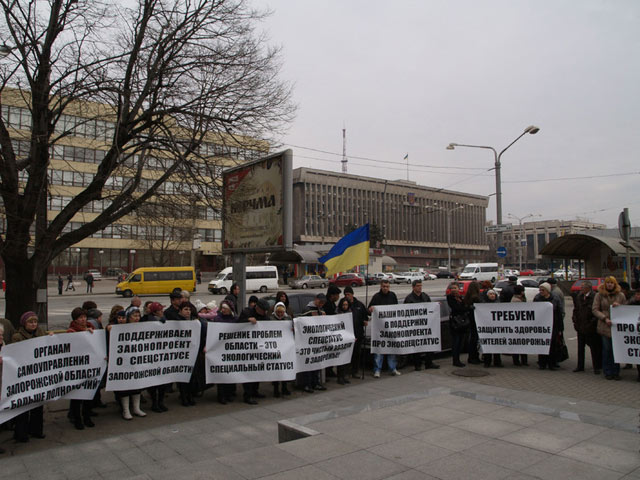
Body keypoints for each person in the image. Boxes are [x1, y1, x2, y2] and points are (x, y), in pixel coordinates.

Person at [12, 312, 49, 442]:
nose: (33, 324)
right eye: (30, 322)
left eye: (35, 322)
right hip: (24, 377)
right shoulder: (17, 337)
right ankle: (21, 433)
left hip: (38, 376)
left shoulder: (41, 333)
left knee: (37, 405)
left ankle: (36, 430)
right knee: (23, 406)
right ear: (24, 324)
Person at [66, 307, 97, 429]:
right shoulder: (71, 331)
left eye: (84, 317)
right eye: (80, 318)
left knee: (88, 393)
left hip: (90, 366)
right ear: (75, 319)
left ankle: (87, 416)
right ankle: (76, 418)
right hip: (77, 368)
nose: (83, 319)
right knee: (77, 396)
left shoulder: (91, 328)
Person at [592, 276, 626, 380]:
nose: (609, 284)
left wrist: (619, 306)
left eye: (611, 283)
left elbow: (626, 308)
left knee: (616, 350)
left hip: (616, 326)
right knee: (607, 350)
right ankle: (607, 371)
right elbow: (595, 309)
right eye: (608, 283)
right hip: (604, 326)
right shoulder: (599, 295)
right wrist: (604, 318)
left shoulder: (620, 295)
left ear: (615, 284)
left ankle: (616, 371)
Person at [238, 299, 269, 404]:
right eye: (263, 310)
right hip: (247, 349)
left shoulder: (264, 315)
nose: (264, 313)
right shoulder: (247, 312)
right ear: (257, 308)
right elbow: (237, 324)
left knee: (257, 371)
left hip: (259, 348)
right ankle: (247, 395)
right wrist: (247, 320)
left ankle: (255, 391)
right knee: (249, 372)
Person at [404, 279, 439, 370]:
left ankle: (429, 363)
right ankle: (417, 365)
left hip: (426, 325)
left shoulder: (425, 296)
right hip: (415, 326)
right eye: (418, 286)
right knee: (417, 346)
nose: (420, 287)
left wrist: (436, 306)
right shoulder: (409, 299)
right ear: (413, 287)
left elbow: (430, 308)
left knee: (428, 344)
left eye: (421, 285)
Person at [369, 280, 400, 377]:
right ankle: (377, 370)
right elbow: (369, 308)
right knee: (379, 350)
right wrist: (371, 309)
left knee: (391, 348)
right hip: (379, 329)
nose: (385, 288)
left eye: (387, 286)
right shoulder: (376, 297)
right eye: (384, 286)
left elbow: (396, 309)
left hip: (391, 328)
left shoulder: (393, 296)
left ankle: (393, 368)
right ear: (381, 286)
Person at [571, 280, 602, 374]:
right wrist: (575, 321)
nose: (581, 288)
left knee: (594, 348)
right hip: (580, 326)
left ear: (588, 288)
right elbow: (576, 310)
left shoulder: (594, 296)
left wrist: (591, 323)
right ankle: (580, 366)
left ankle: (596, 367)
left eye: (583, 287)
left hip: (590, 327)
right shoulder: (579, 297)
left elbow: (595, 311)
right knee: (580, 348)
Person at [213, 300, 238, 404]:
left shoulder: (235, 319)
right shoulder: (218, 319)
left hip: (232, 350)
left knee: (231, 372)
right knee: (222, 373)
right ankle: (221, 395)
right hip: (221, 350)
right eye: (222, 308)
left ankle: (229, 393)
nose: (223, 310)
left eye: (225, 308)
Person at [534, 282, 564, 371]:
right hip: (541, 324)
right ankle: (542, 363)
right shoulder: (537, 298)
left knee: (553, 345)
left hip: (553, 324)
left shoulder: (555, 298)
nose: (541, 291)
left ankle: (552, 363)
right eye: (540, 290)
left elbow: (559, 312)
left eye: (543, 290)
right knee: (542, 344)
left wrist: (560, 328)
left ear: (547, 290)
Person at [301, 294, 327, 392]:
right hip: (308, 342)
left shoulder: (322, 311)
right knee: (308, 364)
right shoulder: (307, 310)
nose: (321, 304)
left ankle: (316, 382)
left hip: (318, 342)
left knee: (317, 363)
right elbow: (301, 323)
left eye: (323, 303)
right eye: (320, 302)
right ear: (316, 300)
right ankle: (307, 384)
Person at [342, 286, 368, 377]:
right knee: (347, 354)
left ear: (352, 294)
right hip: (347, 335)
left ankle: (355, 371)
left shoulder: (359, 305)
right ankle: (345, 371)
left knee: (357, 354)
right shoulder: (344, 304)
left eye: (348, 294)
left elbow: (365, 316)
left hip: (358, 333)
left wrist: (365, 321)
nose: (347, 296)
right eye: (345, 294)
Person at [269, 302, 293, 396]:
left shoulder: (288, 319)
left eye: (281, 313)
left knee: (284, 367)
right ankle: (276, 388)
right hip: (275, 348)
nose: (280, 314)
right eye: (278, 313)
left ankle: (284, 387)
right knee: (276, 369)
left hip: (285, 347)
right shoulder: (271, 319)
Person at [482, 289, 503, 368]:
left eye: (493, 294)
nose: (492, 295)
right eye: (490, 294)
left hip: (497, 328)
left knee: (497, 345)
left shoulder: (498, 304)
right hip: (488, 329)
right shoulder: (484, 305)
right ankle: (487, 362)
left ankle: (497, 362)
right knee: (488, 345)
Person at [463, 281, 482, 365]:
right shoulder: (476, 297)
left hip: (470, 320)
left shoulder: (467, 297)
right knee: (475, 340)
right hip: (475, 320)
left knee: (472, 339)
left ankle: (471, 357)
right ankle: (474, 357)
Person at [511, 285, 529, 367]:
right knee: (518, 344)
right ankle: (518, 360)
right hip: (518, 325)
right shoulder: (516, 301)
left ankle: (523, 360)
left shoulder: (520, 299)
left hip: (521, 325)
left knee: (522, 343)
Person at [625, 288, 640, 381]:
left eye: (639, 294)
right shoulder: (632, 303)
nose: (637, 296)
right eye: (636, 294)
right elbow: (623, 309)